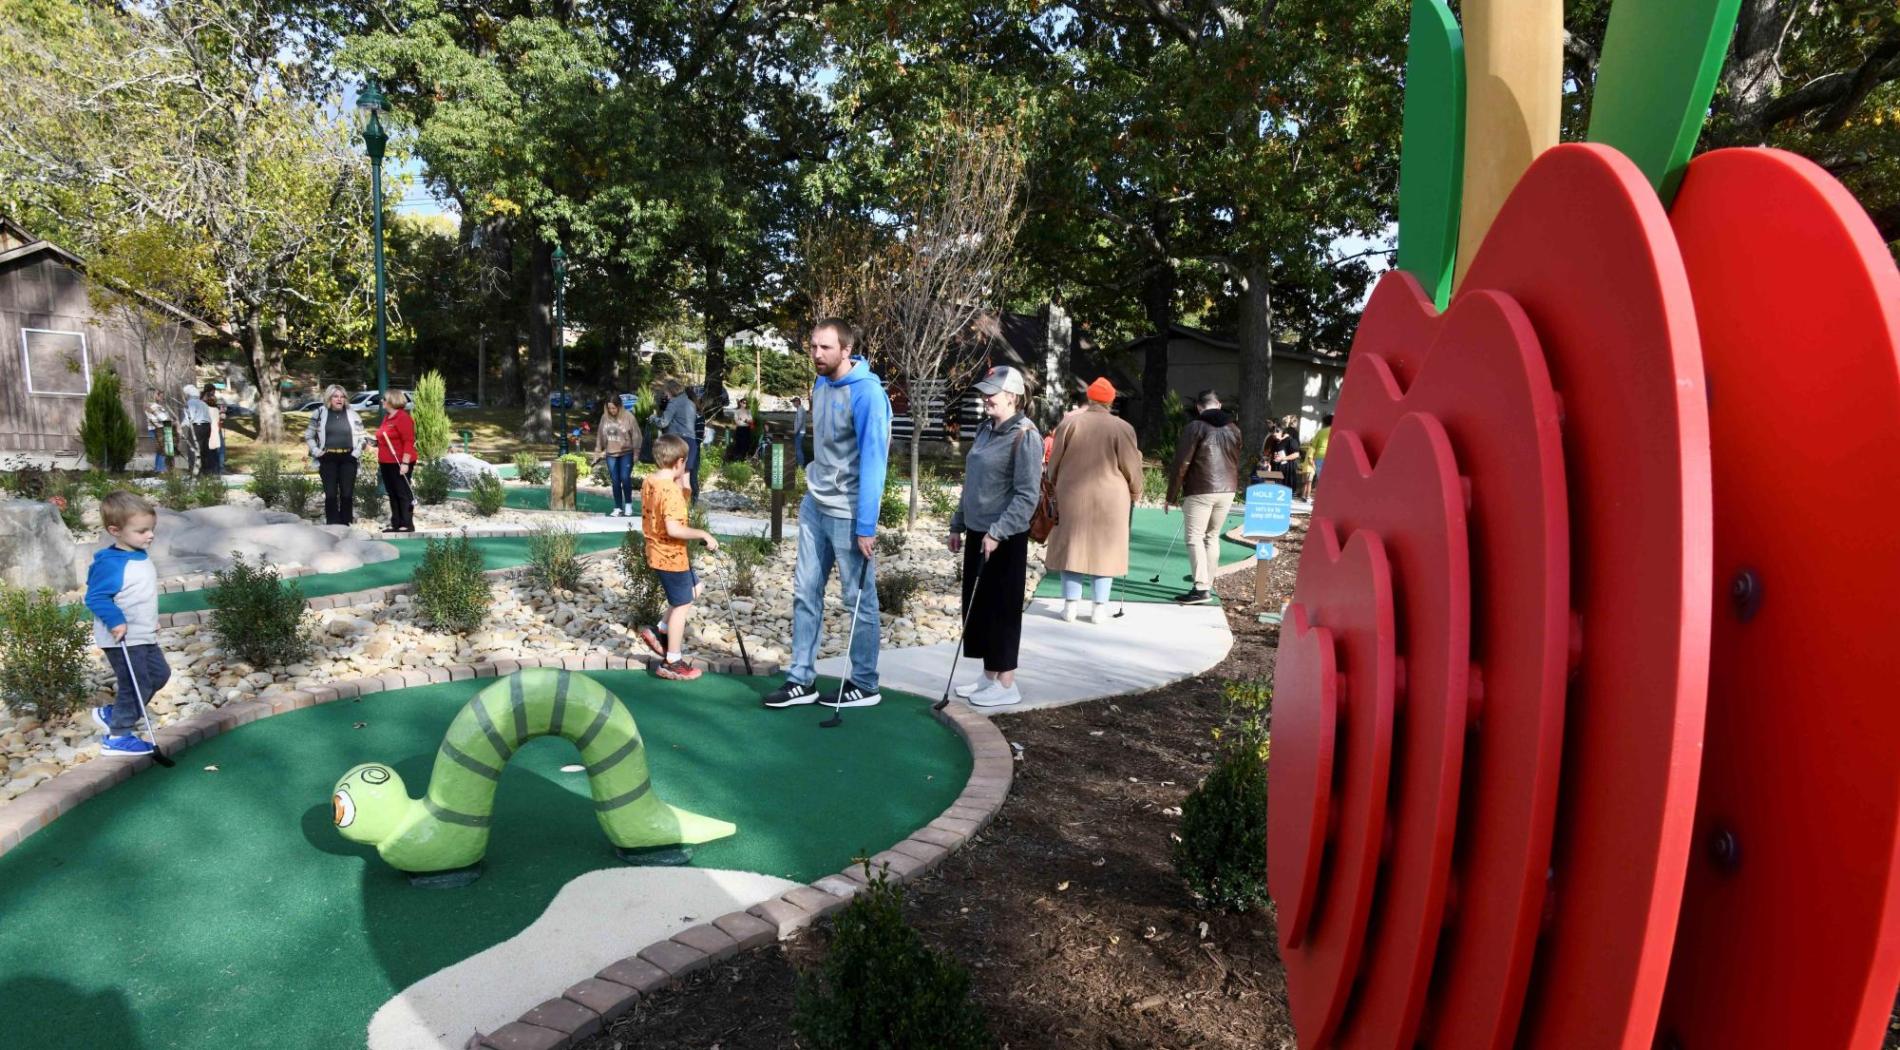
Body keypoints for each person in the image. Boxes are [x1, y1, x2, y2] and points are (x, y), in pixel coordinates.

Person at [762, 318, 892, 710]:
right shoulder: (820, 384)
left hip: (849, 513)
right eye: (813, 347)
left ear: (846, 350)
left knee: (857, 600)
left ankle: (865, 683)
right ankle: (802, 679)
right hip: (816, 506)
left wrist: (867, 525)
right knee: (805, 592)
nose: (816, 354)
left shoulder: (868, 394)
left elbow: (875, 461)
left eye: (825, 348)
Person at [947, 365, 1044, 708]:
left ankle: (1006, 682)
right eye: (985, 391)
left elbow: (1026, 495)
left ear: (1013, 396)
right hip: (978, 531)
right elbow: (971, 482)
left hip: (1004, 536)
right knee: (980, 609)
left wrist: (998, 532)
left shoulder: (1025, 435)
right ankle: (989, 676)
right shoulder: (986, 430)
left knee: (1002, 609)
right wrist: (957, 523)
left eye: (992, 392)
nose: (985, 397)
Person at [1043, 377, 1143, 624]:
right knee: (1105, 550)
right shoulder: (1123, 427)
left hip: (1072, 493)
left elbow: (1054, 460)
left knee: (1072, 548)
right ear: (1111, 400)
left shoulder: (1070, 422)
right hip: (1112, 499)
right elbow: (1132, 467)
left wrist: (1052, 482)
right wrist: (1135, 491)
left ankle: (1070, 605)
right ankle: (1099, 607)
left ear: (1089, 397)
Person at [84, 491, 170, 758]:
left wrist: (150, 620)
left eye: (151, 529)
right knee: (138, 684)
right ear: (115, 530)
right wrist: (116, 621)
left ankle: (114, 713)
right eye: (142, 530)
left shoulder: (138, 555)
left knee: (159, 675)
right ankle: (118, 736)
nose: (150, 535)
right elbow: (95, 597)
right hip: (121, 637)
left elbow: (137, 594)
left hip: (142, 633)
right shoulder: (111, 564)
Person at [636, 435, 721, 681]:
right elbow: (674, 528)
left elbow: (665, 509)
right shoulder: (670, 492)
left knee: (695, 588)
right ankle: (672, 660)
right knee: (682, 606)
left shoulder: (651, 480)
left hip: (660, 551)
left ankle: (660, 629)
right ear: (680, 461)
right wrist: (703, 534)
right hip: (670, 555)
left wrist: (685, 485)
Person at [1165, 389, 1243, 606]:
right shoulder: (1234, 428)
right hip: (1227, 489)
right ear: (1218, 405)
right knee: (1212, 536)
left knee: (1194, 537)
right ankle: (1207, 584)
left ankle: (1200, 588)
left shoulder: (1195, 427)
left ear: (1199, 407)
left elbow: (1182, 463)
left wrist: (1171, 495)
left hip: (1201, 488)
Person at [305, 385, 368, 527]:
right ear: (329, 398)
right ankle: (333, 525)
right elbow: (309, 435)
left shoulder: (353, 414)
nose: (339, 399)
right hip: (328, 458)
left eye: (342, 396)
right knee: (331, 494)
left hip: (348, 458)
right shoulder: (319, 413)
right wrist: (316, 451)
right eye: (335, 396)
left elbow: (362, 437)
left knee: (347, 494)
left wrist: (356, 454)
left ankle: (346, 525)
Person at [375, 389, 418, 533]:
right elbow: (383, 438)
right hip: (386, 461)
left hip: (399, 461)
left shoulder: (402, 417)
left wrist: (405, 463)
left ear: (392, 401)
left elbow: (408, 441)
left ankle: (407, 524)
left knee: (402, 492)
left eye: (384, 399)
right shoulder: (387, 418)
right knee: (392, 492)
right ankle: (396, 523)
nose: (382, 401)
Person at [652, 378, 700, 505]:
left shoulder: (674, 403)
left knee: (677, 480)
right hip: (691, 441)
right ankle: (686, 509)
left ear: (670, 391)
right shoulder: (691, 403)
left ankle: (675, 509)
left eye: (666, 392)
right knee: (686, 479)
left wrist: (653, 419)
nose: (665, 395)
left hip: (677, 441)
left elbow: (663, 422)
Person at [595, 396, 641, 517]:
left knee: (625, 478)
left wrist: (636, 452)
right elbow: (600, 435)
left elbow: (636, 435)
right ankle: (618, 507)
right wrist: (598, 451)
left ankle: (628, 505)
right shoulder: (604, 418)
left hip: (626, 452)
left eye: (614, 408)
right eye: (609, 408)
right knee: (615, 481)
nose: (611, 410)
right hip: (611, 453)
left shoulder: (629, 417)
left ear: (619, 406)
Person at [182, 384, 211, 475]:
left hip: (197, 427)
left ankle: (194, 471)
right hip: (206, 427)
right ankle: (205, 471)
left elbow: (189, 418)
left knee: (194, 449)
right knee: (204, 449)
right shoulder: (203, 403)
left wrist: (181, 426)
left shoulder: (190, 403)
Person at [1305, 413, 1332, 500]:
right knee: (1329, 480)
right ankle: (1327, 498)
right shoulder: (1336, 430)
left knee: (1320, 479)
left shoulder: (1321, 432)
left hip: (1320, 457)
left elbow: (1313, 446)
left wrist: (1310, 457)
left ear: (1324, 423)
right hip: (1332, 457)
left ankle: (1320, 499)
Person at [145, 399, 173, 474]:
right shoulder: (154, 406)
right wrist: (173, 421)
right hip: (159, 429)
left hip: (154, 429)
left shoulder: (149, 405)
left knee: (159, 450)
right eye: (160, 394)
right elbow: (163, 418)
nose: (162, 397)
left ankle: (158, 468)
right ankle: (161, 469)